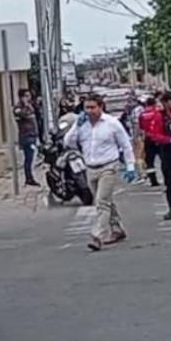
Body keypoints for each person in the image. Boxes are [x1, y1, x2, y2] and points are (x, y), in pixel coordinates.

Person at [64, 94, 137, 252]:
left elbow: (125, 144)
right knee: (106, 201)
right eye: (86, 108)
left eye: (92, 107)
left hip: (108, 166)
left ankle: (97, 236)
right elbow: (68, 142)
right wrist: (77, 125)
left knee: (101, 202)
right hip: (90, 167)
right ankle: (117, 229)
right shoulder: (82, 124)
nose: (89, 111)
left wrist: (131, 165)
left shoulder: (112, 123)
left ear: (100, 107)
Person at [147, 92, 171, 220]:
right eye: (170, 101)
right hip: (168, 153)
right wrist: (169, 140)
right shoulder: (159, 117)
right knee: (170, 183)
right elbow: (154, 135)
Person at [13, 89, 41, 187]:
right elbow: (21, 114)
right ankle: (29, 178)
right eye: (27, 96)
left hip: (33, 135)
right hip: (26, 136)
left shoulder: (30, 106)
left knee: (32, 158)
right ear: (22, 97)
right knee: (28, 158)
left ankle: (30, 177)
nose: (29, 98)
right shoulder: (18, 107)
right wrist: (25, 105)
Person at [138, 96, 162, 187]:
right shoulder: (157, 112)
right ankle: (168, 177)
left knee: (149, 160)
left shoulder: (142, 114)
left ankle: (153, 180)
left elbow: (141, 127)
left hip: (148, 139)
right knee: (163, 159)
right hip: (158, 138)